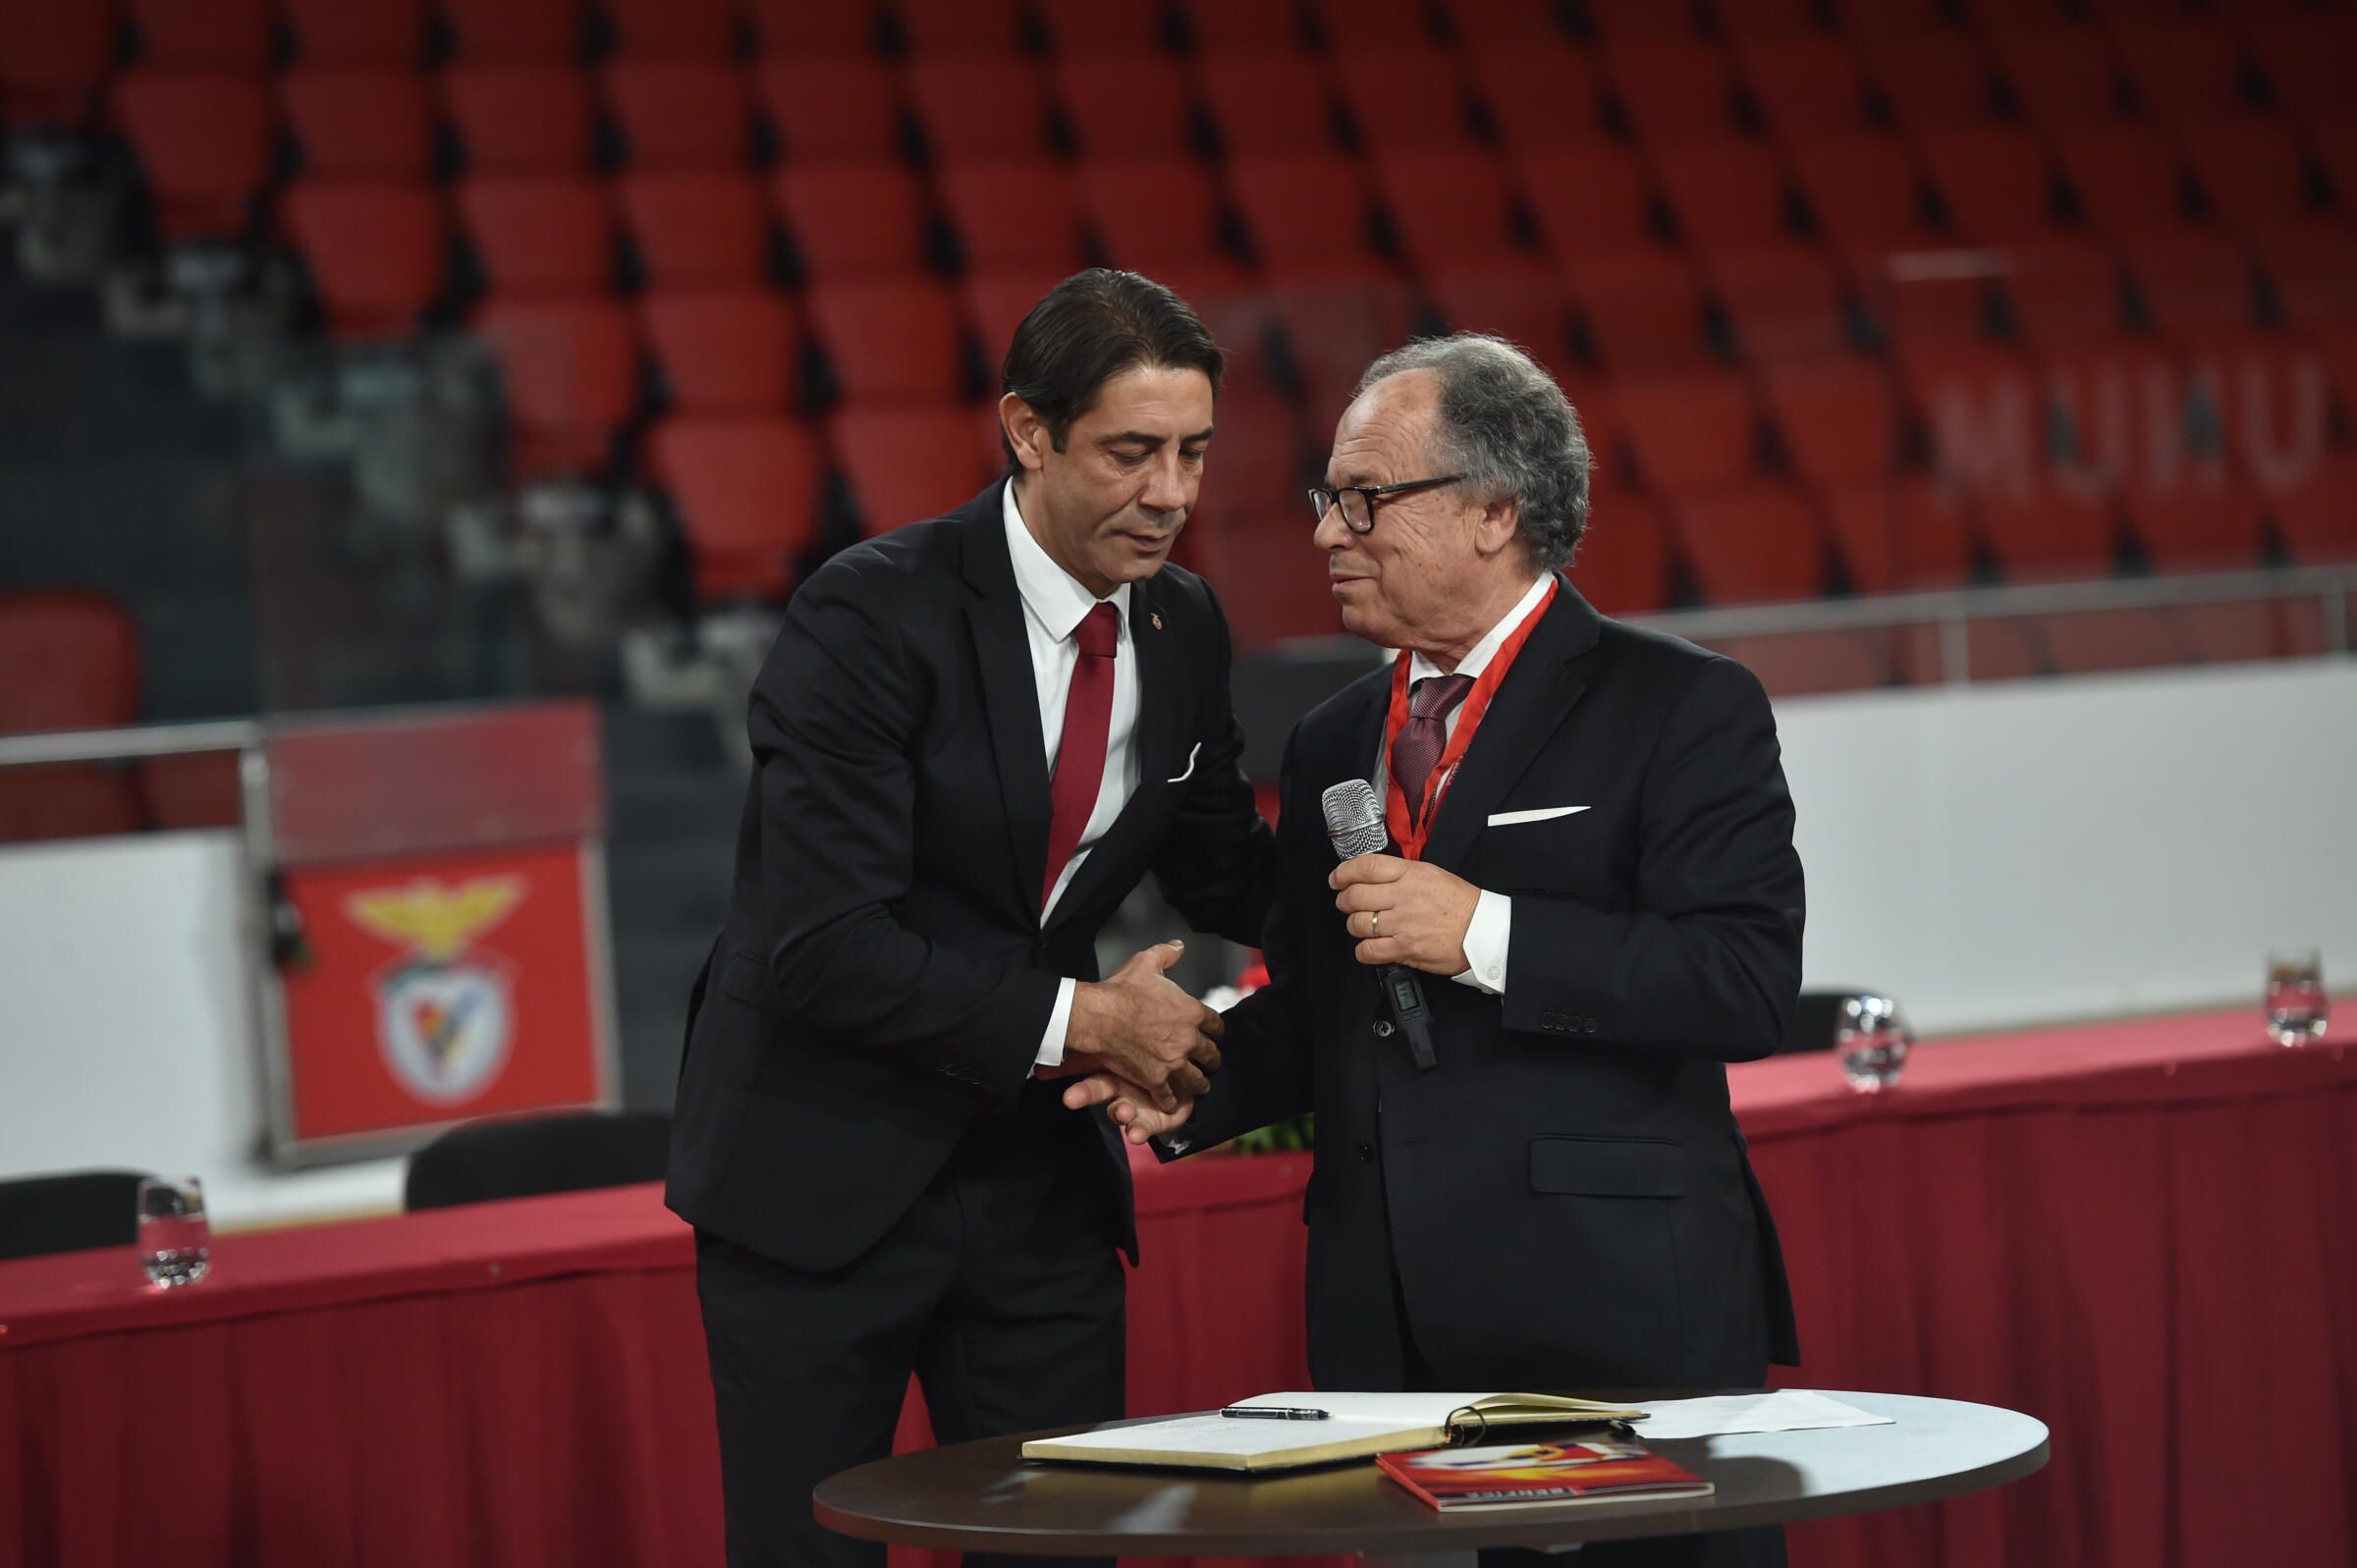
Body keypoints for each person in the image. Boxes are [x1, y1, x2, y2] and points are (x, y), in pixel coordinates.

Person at [1069, 334, 1804, 1568]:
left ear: (1495, 511)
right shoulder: (1327, 740)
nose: (1327, 533)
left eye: (1366, 498)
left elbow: (1742, 983)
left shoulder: (1680, 704)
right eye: (1327, 500)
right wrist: (1190, 1073)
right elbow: (1321, 1008)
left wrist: (1486, 933)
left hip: (1615, 1313)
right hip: (1385, 1323)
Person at [669, 269, 1276, 1568]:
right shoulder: (868, 616)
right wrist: (1088, 1018)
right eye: (1130, 452)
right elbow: (824, 945)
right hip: (820, 1175)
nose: (1171, 493)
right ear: (1029, 432)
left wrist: (1436, 902)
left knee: (1067, 1549)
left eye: (1193, 453)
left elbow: (1227, 872)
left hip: (1037, 1192)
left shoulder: (1183, 623)